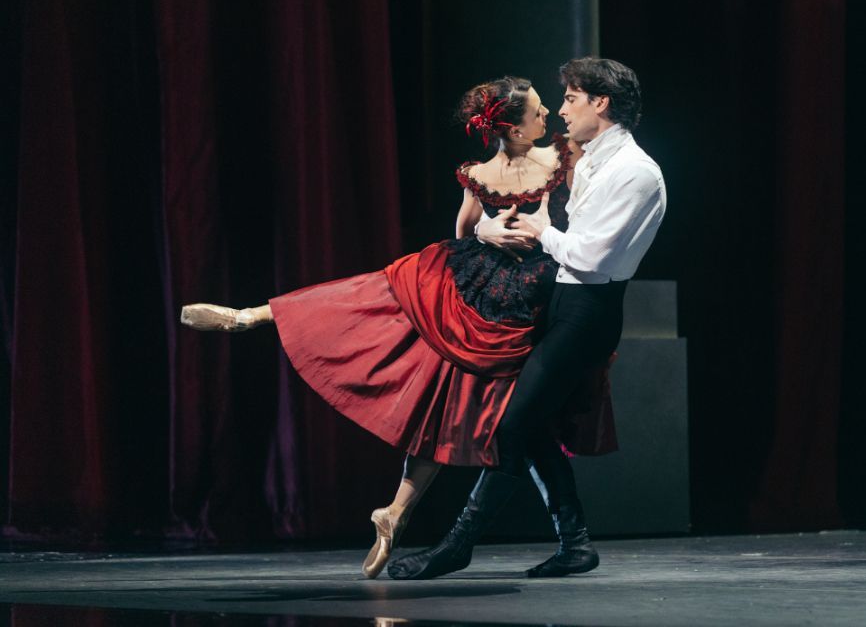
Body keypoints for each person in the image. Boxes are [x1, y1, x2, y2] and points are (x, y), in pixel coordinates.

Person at [179, 76, 617, 579]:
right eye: (539, 111)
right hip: (513, 298)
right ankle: (423, 517)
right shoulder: (535, 163)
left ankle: (262, 315)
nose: (549, 116)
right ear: (516, 130)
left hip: (508, 297)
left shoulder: (536, 162)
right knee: (418, 346)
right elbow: (468, 228)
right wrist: (487, 230)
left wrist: (491, 229)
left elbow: (509, 227)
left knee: (394, 316)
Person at [388, 57, 666, 581]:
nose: (562, 110)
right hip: (560, 302)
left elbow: (590, 258)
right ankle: (575, 542)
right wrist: (493, 231)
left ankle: (458, 544)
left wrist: (540, 231)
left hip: (588, 311)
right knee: (531, 424)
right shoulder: (589, 160)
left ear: (600, 103)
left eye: (571, 99)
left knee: (511, 426)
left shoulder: (635, 171)